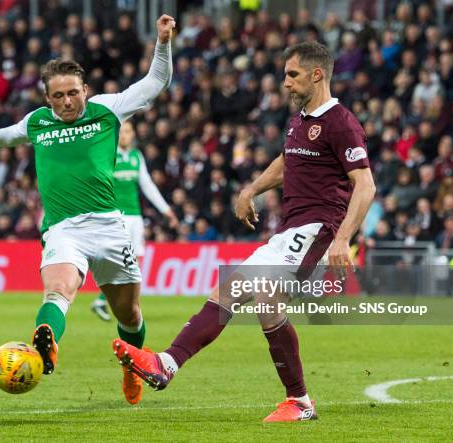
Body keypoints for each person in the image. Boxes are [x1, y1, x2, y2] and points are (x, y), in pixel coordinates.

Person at [111, 41, 376, 422]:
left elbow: (365, 184)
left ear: (317, 74)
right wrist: (252, 189)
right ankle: (167, 364)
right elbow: (287, 162)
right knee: (230, 291)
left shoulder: (341, 122)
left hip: (318, 228)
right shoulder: (300, 121)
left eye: (292, 74)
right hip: (288, 230)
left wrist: (342, 237)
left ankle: (298, 401)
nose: (284, 83)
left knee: (265, 297)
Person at [0, 15, 176, 406]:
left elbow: (155, 83)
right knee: (58, 289)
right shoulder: (38, 122)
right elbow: (6, 135)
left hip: (109, 227)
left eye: (72, 93)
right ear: (47, 98)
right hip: (63, 229)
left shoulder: (107, 110)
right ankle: (46, 346)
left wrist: (162, 42)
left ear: (86, 89)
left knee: (129, 314)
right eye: (58, 96)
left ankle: (131, 368)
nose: (66, 101)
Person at [91, 121, 178, 321]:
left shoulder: (136, 157)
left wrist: (166, 210)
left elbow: (148, 186)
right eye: (122, 132)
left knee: (135, 260)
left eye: (129, 131)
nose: (125, 135)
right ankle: (118, 302)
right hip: (115, 216)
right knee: (123, 260)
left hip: (135, 216)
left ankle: (106, 300)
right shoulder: (108, 156)